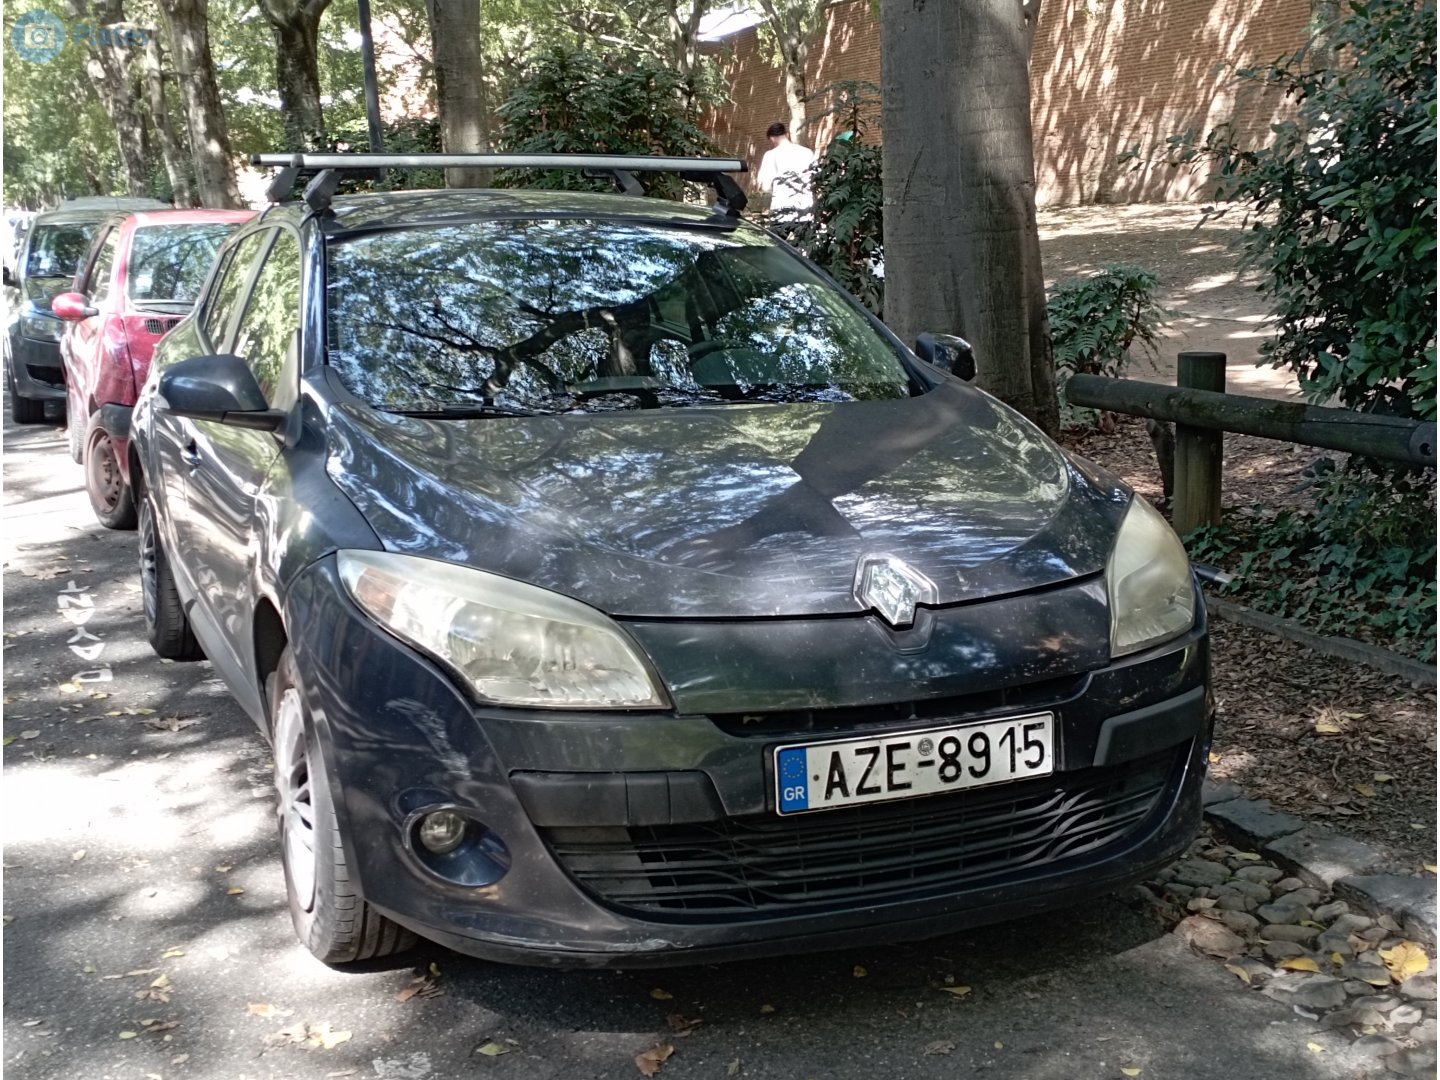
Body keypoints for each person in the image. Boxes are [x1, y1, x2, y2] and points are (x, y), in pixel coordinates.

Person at [755, 122, 816, 217]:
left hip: (781, 211)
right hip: (806, 210)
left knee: (775, 232)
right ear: (787, 134)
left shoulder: (770, 155)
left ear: (772, 138)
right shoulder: (807, 152)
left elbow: (765, 187)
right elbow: (816, 178)